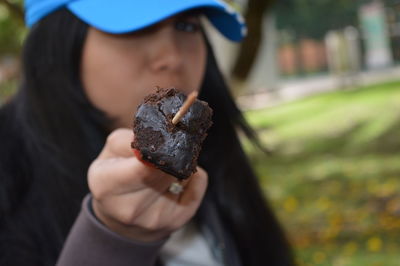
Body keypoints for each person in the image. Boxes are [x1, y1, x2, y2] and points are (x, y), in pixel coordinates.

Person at [0, 0, 294, 265]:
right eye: (134, 26)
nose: (173, 58)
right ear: (57, 43)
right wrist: (111, 240)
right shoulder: (10, 188)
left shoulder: (217, 158)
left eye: (186, 25)